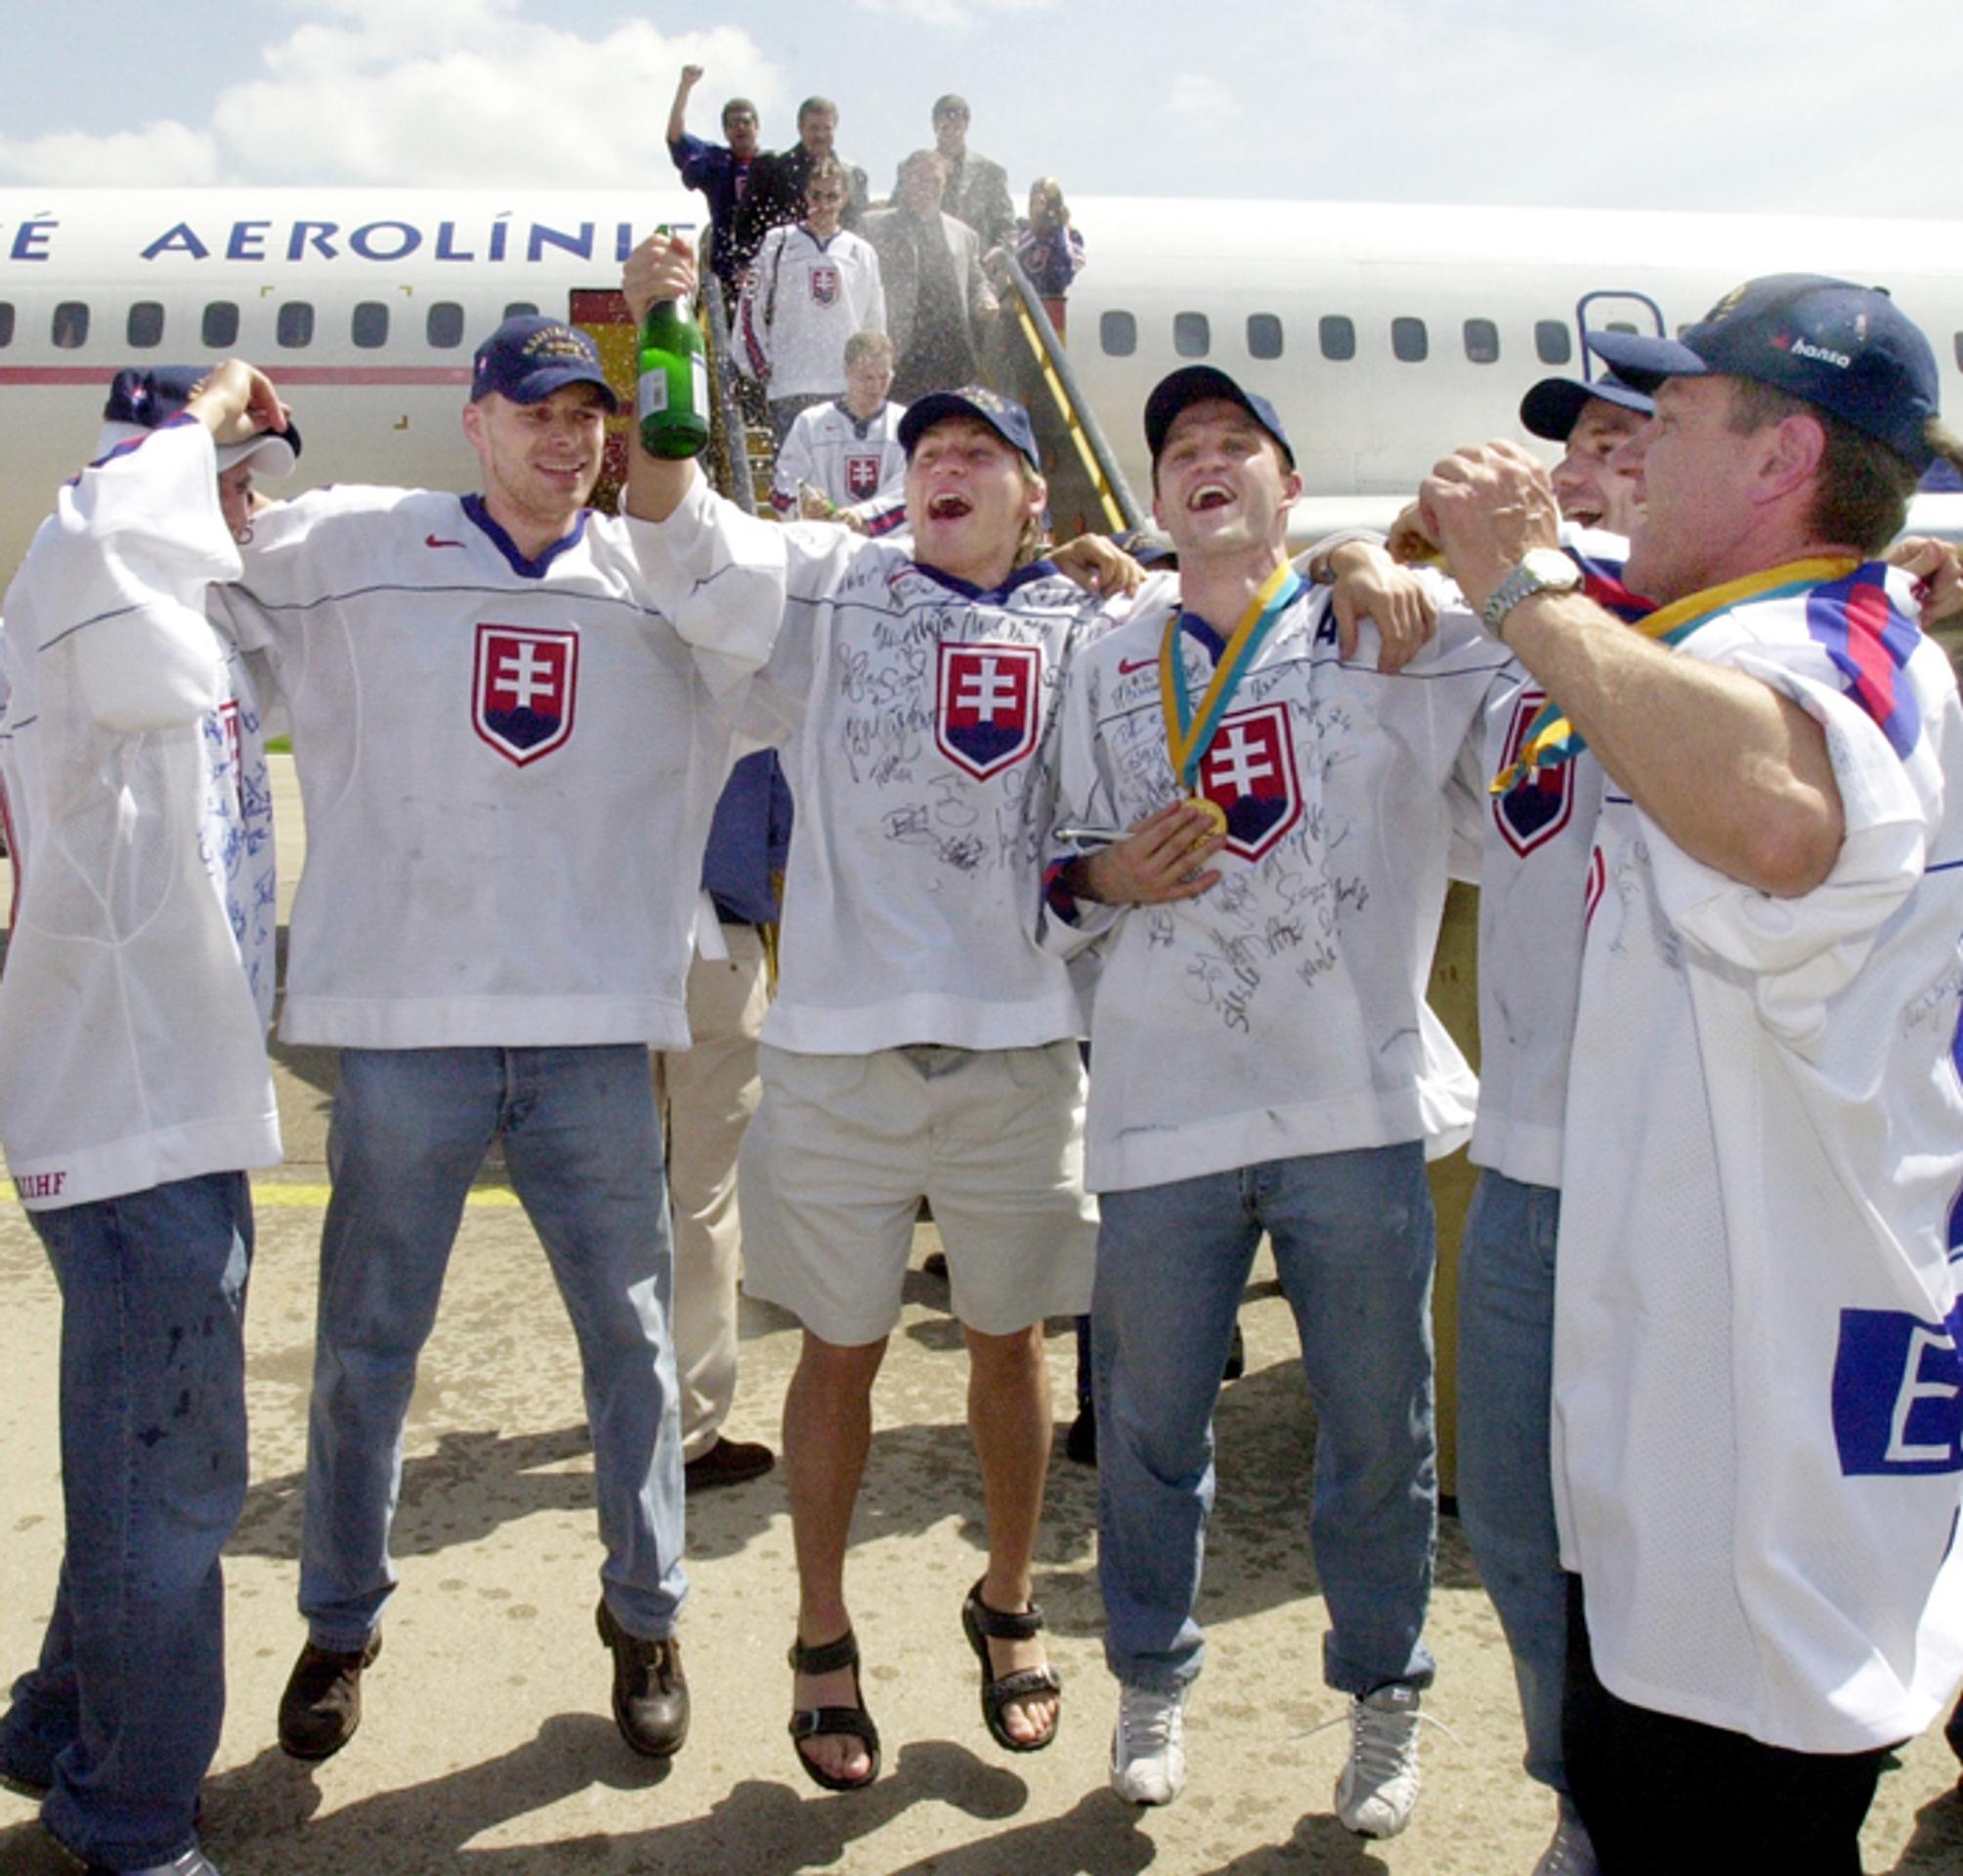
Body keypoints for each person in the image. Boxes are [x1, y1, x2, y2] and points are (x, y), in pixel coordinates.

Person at [1420, 273, 1963, 1874]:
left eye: (1667, 424)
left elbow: (1779, 822)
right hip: (1713, 1424)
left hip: (1763, 1445)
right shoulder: (1748, 635)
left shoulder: (1823, 643)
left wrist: (1522, 580)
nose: (1627, 460)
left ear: (1781, 453)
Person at [211, 315, 779, 1771]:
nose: (568, 437)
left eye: (590, 413)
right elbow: (181, 547)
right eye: (536, 411)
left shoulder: (663, 579)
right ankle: (340, 1621)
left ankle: (646, 1615)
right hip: (405, 1033)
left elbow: (826, 628)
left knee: (635, 1352)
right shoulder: (357, 542)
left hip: (596, 1035)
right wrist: (205, 425)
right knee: (363, 1354)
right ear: (473, 420)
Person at [622, 232, 1128, 1795]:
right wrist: (660, 338)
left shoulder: (1097, 632)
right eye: (929, 452)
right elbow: (675, 532)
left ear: (1035, 492)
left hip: (1021, 1053)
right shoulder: (834, 587)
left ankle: (1007, 1600)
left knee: (1007, 1348)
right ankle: (821, 1632)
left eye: (982, 452)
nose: (948, 468)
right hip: (837, 1057)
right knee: (835, 1354)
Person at [1039, 365, 1503, 1833]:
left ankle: (1383, 1702)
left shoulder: (1388, 629)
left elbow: (1547, 695)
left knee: (1381, 1436)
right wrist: (1110, 875)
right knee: (1151, 1433)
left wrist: (1400, 552)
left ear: (1291, 492)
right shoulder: (1103, 658)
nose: (1207, 461)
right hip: (1163, 1119)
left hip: (1349, 1116)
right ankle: (1151, 1678)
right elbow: (1042, 874)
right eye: (1181, 449)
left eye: (1239, 444)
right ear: (1158, 499)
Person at [0, 361, 296, 1876]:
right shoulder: (90, 576)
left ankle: (60, 1723)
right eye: (234, 478)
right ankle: (128, 1812)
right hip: (124, 1118)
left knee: (139, 1452)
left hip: (177, 1108)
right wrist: (197, 425)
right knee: (169, 1474)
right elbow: (116, 526)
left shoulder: (168, 617)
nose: (250, 505)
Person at [1445, 368, 1653, 1876]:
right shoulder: (1515, 650)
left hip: (1668, 1180)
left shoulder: (1719, 640)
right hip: (1522, 1167)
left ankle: (1683, 1802)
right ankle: (1579, 1794)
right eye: (1569, 443)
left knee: (1665, 1527)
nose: (1573, 468)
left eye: (1616, 446)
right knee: (1515, 1519)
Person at [656, 747, 792, 1494]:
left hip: (609, 942)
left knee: (615, 1196)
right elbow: (784, 830)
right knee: (705, 1201)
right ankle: (690, 1426)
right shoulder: (749, 679)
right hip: (720, 938)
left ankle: (625, 1394)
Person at [738, 158, 885, 447]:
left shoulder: (861, 251)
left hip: (844, 386)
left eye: (832, 196)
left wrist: (871, 375)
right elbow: (750, 305)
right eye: (816, 195)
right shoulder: (778, 242)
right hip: (790, 385)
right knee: (792, 481)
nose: (824, 204)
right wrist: (760, 363)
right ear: (806, 195)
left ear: (843, 199)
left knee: (838, 481)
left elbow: (874, 320)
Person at [861, 151, 1000, 405]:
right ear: (905, 180)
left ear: (944, 185)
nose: (926, 187)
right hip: (902, 352)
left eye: (934, 181)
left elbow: (976, 279)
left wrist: (985, 299)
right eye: (918, 179)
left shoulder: (963, 234)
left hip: (952, 354)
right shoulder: (874, 228)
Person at [769, 329, 908, 533]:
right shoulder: (811, 424)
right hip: (825, 550)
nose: (876, 386)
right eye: (866, 378)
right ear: (847, 370)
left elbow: (913, 494)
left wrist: (864, 517)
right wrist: (804, 503)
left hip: (887, 553)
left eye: (883, 377)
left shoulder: (906, 425)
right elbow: (782, 488)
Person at [732, 96, 871, 266]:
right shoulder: (771, 168)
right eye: (813, 128)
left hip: (834, 269)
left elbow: (859, 231)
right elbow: (746, 224)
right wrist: (747, 266)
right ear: (800, 128)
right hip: (783, 268)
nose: (820, 135)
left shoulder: (853, 176)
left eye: (826, 128)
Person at [664, 64, 761, 301]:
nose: (740, 127)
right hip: (725, 266)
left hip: (765, 267)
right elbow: (676, 137)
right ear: (726, 132)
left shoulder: (774, 166)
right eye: (732, 124)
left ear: (757, 127)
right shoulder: (717, 162)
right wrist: (684, 87)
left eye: (746, 122)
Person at [922, 94, 1014, 254]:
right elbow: (898, 218)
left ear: (966, 125)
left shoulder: (990, 174)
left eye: (955, 126)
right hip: (926, 269)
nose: (950, 132)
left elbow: (1006, 228)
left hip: (975, 269)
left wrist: (999, 253)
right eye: (944, 126)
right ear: (934, 125)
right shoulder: (915, 171)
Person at [1014, 177, 1086, 340]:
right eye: (1035, 203)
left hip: (1051, 316)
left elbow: (1063, 274)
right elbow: (1012, 257)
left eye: (1048, 204)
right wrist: (1034, 230)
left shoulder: (1070, 237)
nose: (1041, 211)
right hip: (1020, 314)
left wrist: (1060, 229)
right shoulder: (1020, 232)